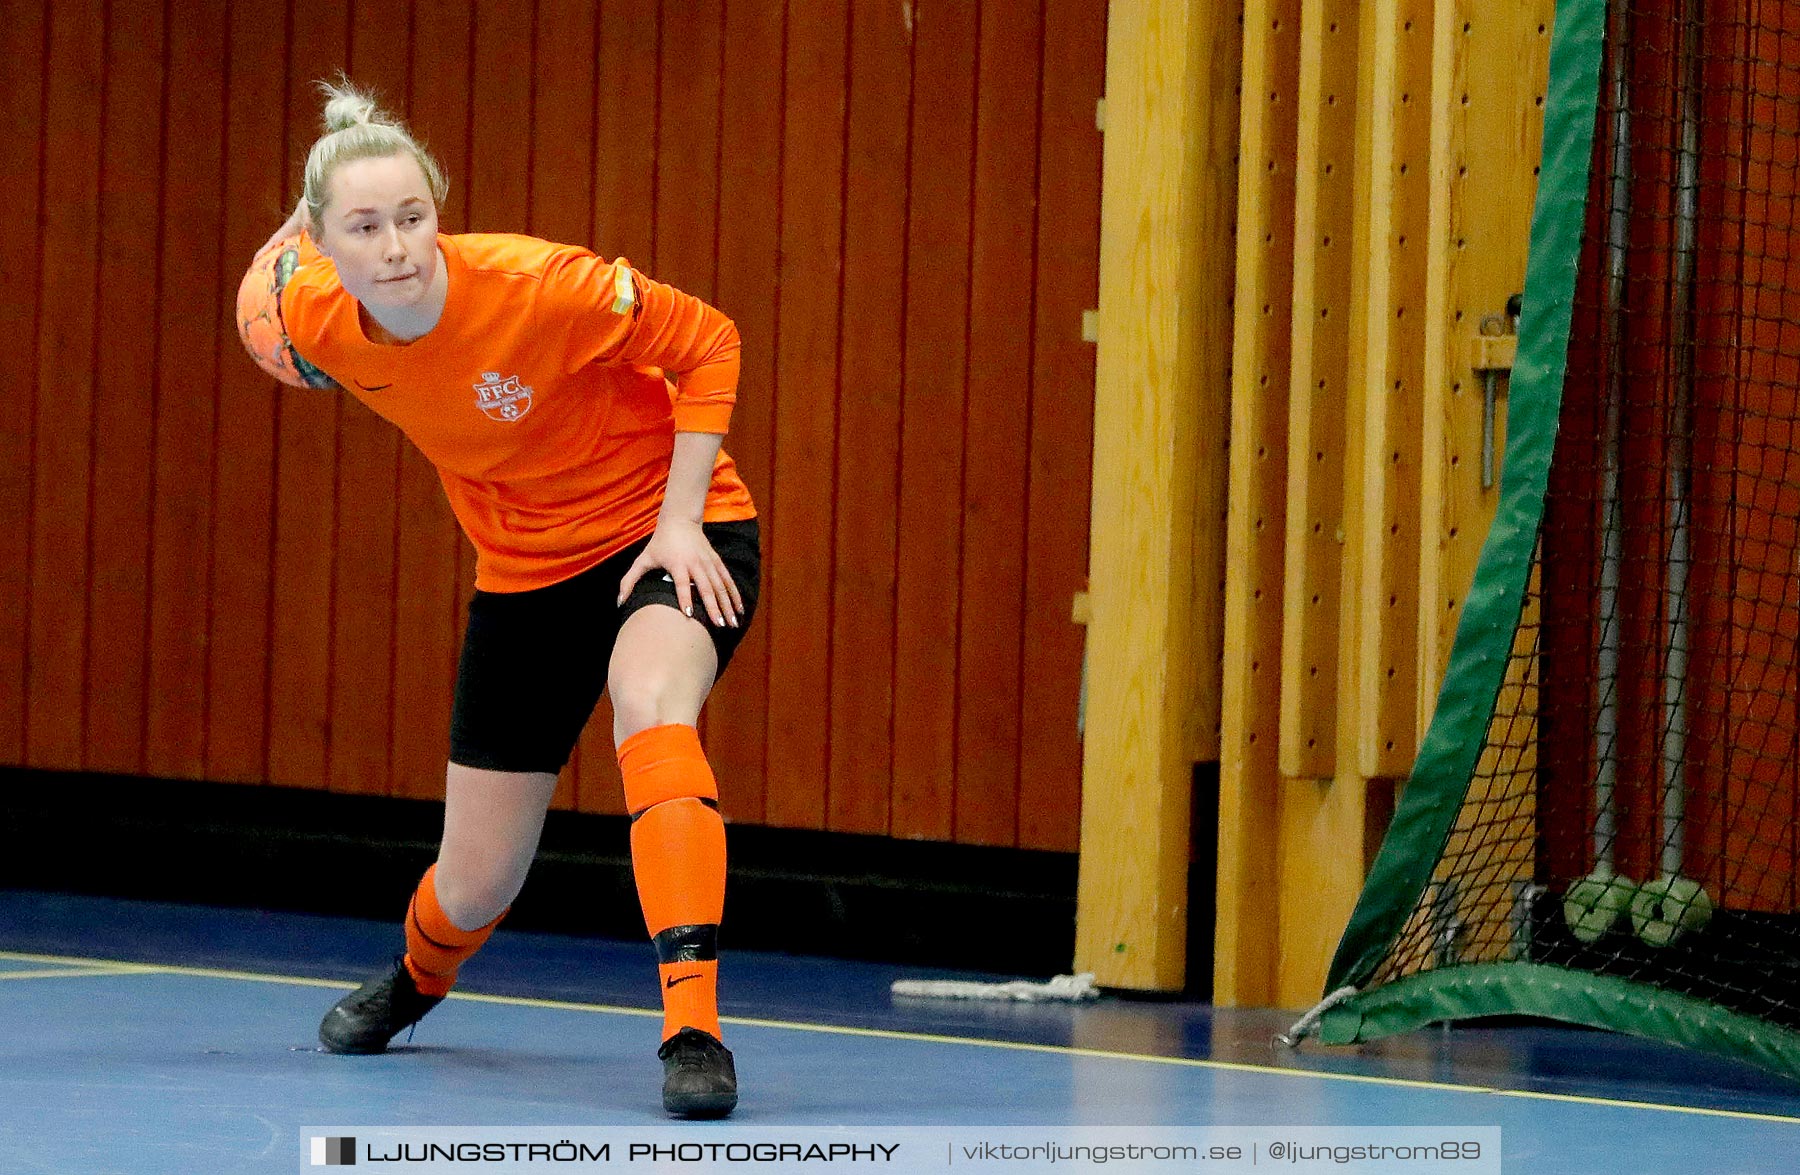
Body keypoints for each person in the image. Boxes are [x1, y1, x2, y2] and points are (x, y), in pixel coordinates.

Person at [236, 78, 758, 1119]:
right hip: (523, 574)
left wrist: (680, 520)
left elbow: (711, 340)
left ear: (440, 206)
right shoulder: (310, 313)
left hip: (666, 533)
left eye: (413, 216)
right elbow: (262, 293)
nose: (396, 246)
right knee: (474, 880)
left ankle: (693, 1027)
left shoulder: (544, 284)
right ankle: (418, 977)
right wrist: (283, 248)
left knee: (653, 705)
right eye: (366, 226)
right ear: (324, 242)